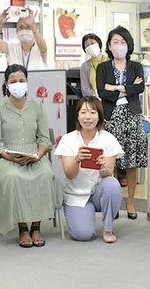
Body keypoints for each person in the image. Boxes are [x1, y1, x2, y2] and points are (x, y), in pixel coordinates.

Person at [0, 64, 62, 247]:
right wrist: (10, 156)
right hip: (7, 157)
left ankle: (36, 226)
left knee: (46, 175)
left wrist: (38, 154)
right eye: (13, 81)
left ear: (27, 82)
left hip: (35, 155)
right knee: (13, 178)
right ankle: (22, 228)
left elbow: (44, 138)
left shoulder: (37, 106)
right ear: (6, 84)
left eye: (21, 80)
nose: (18, 84)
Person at [54, 96, 124, 243]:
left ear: (99, 116)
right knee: (83, 235)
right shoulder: (68, 140)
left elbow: (108, 173)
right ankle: (84, 215)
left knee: (112, 184)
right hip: (76, 195)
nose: (88, 117)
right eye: (83, 112)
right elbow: (69, 174)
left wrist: (103, 166)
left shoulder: (108, 139)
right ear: (78, 115)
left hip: (99, 192)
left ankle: (108, 228)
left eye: (93, 112)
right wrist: (76, 160)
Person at [96, 26, 146, 219]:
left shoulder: (136, 66)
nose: (118, 46)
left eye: (122, 42)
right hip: (111, 115)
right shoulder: (103, 67)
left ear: (128, 45)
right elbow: (102, 91)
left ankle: (131, 203)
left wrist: (115, 87)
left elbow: (140, 87)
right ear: (109, 45)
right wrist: (127, 88)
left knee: (132, 161)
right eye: (115, 42)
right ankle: (114, 203)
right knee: (112, 160)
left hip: (132, 115)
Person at [79, 33, 107, 97]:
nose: (90, 46)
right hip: (94, 101)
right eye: (87, 45)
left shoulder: (111, 61)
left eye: (92, 43)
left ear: (98, 43)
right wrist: (96, 96)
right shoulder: (85, 66)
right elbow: (85, 89)